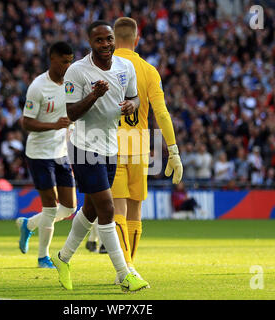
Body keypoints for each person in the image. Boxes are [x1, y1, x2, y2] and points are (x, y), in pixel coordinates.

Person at [50, 20, 149, 292]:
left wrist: (132, 105)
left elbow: (136, 99)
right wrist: (94, 94)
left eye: (109, 39)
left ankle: (63, 258)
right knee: (107, 208)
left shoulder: (124, 67)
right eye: (99, 41)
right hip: (84, 148)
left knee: (92, 210)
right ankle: (125, 273)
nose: (105, 45)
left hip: (110, 147)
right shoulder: (78, 72)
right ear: (90, 43)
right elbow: (70, 114)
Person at [86, 17, 183, 284]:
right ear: (137, 39)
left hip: (109, 144)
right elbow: (161, 112)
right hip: (140, 146)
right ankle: (128, 269)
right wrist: (173, 151)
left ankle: (125, 268)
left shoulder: (102, 67)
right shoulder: (149, 70)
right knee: (135, 211)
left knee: (115, 210)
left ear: (113, 40)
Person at [15, 41, 77, 268]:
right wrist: (55, 126)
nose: (68, 66)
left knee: (69, 208)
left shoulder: (70, 84)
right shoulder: (38, 86)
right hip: (39, 154)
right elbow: (26, 123)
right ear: (52, 59)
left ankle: (28, 225)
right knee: (50, 207)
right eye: (64, 62)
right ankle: (43, 257)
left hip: (61, 153)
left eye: (70, 61)